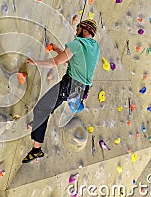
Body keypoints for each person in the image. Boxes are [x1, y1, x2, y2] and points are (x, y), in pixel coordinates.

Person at [22, 19, 100, 163]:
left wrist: (35, 63)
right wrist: (58, 49)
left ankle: (36, 149)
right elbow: (73, 61)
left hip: (69, 86)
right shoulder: (95, 47)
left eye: (78, 28)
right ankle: (36, 125)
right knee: (50, 105)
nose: (76, 31)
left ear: (85, 29)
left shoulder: (77, 44)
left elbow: (56, 62)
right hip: (81, 91)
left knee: (41, 109)